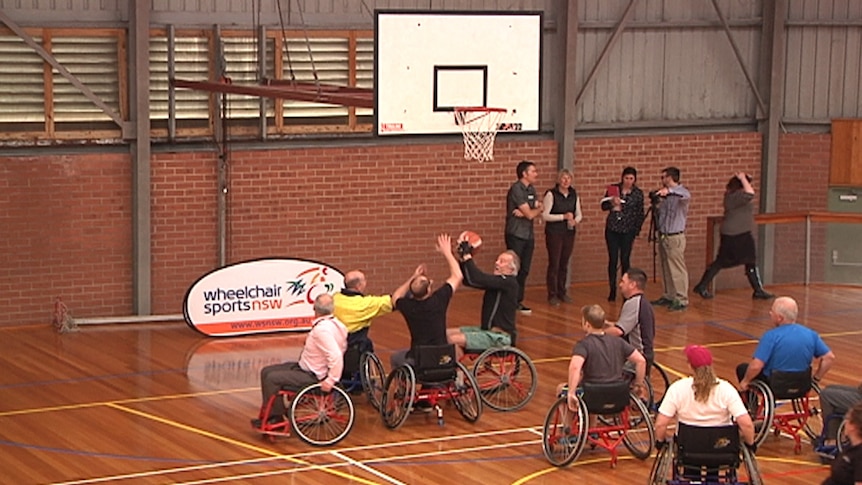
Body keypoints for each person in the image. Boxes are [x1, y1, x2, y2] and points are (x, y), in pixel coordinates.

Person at [254, 293, 347, 426]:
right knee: (266, 371)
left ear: (315, 309)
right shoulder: (337, 325)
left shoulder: (322, 331)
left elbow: (336, 355)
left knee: (271, 378)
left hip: (313, 376)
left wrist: (331, 380)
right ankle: (271, 412)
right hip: (306, 367)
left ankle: (276, 416)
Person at [654, 345, 756, 449]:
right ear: (711, 364)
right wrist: (750, 444)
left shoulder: (677, 388)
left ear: (689, 366)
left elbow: (661, 424)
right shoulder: (726, 388)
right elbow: (746, 424)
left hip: (687, 447)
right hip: (720, 446)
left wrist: (660, 442)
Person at [693, 172, 774, 300]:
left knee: (749, 261)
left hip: (740, 233)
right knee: (724, 261)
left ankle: (758, 290)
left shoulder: (734, 196)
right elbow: (750, 193)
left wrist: (744, 178)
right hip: (736, 234)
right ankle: (702, 286)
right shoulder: (734, 197)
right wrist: (742, 178)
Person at [390, 233, 462, 369]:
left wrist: (413, 277)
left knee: (396, 358)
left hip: (420, 359)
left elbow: (396, 297)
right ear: (429, 289)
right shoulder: (439, 300)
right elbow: (457, 276)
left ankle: (402, 388)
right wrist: (447, 252)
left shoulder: (408, 306)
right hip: (442, 357)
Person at [737, 296, 836, 391]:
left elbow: (756, 366)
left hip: (776, 383)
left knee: (742, 369)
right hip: (802, 383)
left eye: (772, 311)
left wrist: (745, 381)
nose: (770, 313)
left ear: (780, 318)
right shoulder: (811, 334)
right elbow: (829, 357)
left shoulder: (771, 336)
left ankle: (749, 405)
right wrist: (816, 379)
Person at [563, 304, 646, 411]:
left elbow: (575, 367)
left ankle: (567, 427)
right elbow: (641, 361)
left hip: (593, 394)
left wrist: (571, 392)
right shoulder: (618, 342)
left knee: (562, 390)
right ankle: (591, 424)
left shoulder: (583, 344)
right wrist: (638, 385)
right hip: (618, 392)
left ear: (587, 324)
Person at [446, 241, 520, 360]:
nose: (496, 263)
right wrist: (462, 259)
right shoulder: (498, 282)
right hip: (486, 330)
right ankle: (456, 368)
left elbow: (478, 277)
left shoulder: (509, 282)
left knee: (452, 340)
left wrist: (468, 256)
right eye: (497, 260)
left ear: (511, 269)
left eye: (502, 261)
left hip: (500, 337)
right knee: (445, 333)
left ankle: (457, 373)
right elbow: (469, 280)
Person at [650, 166, 691, 312]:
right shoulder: (665, 197)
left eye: (664, 177)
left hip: (675, 236)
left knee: (677, 268)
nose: (662, 180)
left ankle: (681, 298)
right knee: (665, 266)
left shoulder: (680, 193)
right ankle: (669, 294)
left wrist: (670, 191)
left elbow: (686, 195)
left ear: (670, 177)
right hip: (664, 234)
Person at [601, 166, 645, 301]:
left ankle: (627, 290)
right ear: (622, 178)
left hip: (628, 230)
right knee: (613, 259)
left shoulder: (637, 193)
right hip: (613, 228)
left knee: (625, 260)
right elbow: (603, 206)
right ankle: (612, 289)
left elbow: (640, 213)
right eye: (626, 178)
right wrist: (611, 203)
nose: (628, 181)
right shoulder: (614, 189)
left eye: (631, 179)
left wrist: (636, 230)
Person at [506, 160, 543, 314]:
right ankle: (508, 301)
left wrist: (533, 211)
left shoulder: (531, 189)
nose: (536, 174)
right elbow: (530, 213)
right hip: (516, 234)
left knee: (525, 269)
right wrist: (532, 212)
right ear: (524, 174)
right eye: (533, 171)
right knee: (513, 268)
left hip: (528, 234)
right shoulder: (517, 189)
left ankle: (518, 301)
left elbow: (537, 207)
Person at [542, 169, 582, 306]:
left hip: (569, 232)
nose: (566, 181)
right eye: (563, 178)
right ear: (559, 180)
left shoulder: (574, 194)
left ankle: (562, 291)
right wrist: (562, 217)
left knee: (564, 263)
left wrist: (575, 220)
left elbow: (579, 213)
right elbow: (545, 215)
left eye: (568, 179)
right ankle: (552, 294)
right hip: (554, 232)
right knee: (555, 262)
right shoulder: (551, 194)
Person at [603, 267, 656, 370]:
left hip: (638, 356)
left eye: (623, 281)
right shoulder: (643, 303)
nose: (620, 285)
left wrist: (598, 333)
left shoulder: (633, 303)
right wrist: (611, 324)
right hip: (644, 353)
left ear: (633, 285)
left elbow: (619, 331)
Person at [333, 269, 397, 350]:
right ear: (359, 285)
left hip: (334, 342)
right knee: (367, 344)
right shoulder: (366, 304)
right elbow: (393, 301)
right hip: (353, 345)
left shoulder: (334, 298)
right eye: (364, 280)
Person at [821, 401, 862, 485]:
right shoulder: (850, 447)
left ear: (853, 427)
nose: (845, 423)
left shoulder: (859, 455)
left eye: (847, 419)